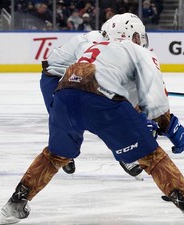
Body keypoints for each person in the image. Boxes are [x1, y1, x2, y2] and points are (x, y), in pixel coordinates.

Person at [0, 13, 184, 225]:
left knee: (55, 156)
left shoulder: (88, 45)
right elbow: (154, 98)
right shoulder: (138, 51)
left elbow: (58, 72)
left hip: (64, 96)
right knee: (152, 158)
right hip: (102, 102)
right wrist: (170, 126)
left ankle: (15, 204)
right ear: (134, 36)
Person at [39, 18, 143, 179]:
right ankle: (64, 153)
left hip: (79, 79)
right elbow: (86, 70)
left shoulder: (115, 46)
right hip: (55, 77)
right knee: (66, 119)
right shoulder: (91, 41)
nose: (138, 41)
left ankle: (124, 154)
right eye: (135, 37)